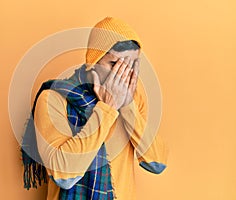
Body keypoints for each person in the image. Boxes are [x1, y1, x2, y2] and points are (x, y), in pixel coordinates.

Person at [21, 16, 169, 200]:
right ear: (93, 64)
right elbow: (65, 176)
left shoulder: (133, 97)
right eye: (114, 64)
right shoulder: (53, 99)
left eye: (130, 65)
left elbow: (157, 163)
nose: (122, 75)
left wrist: (127, 106)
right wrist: (107, 108)